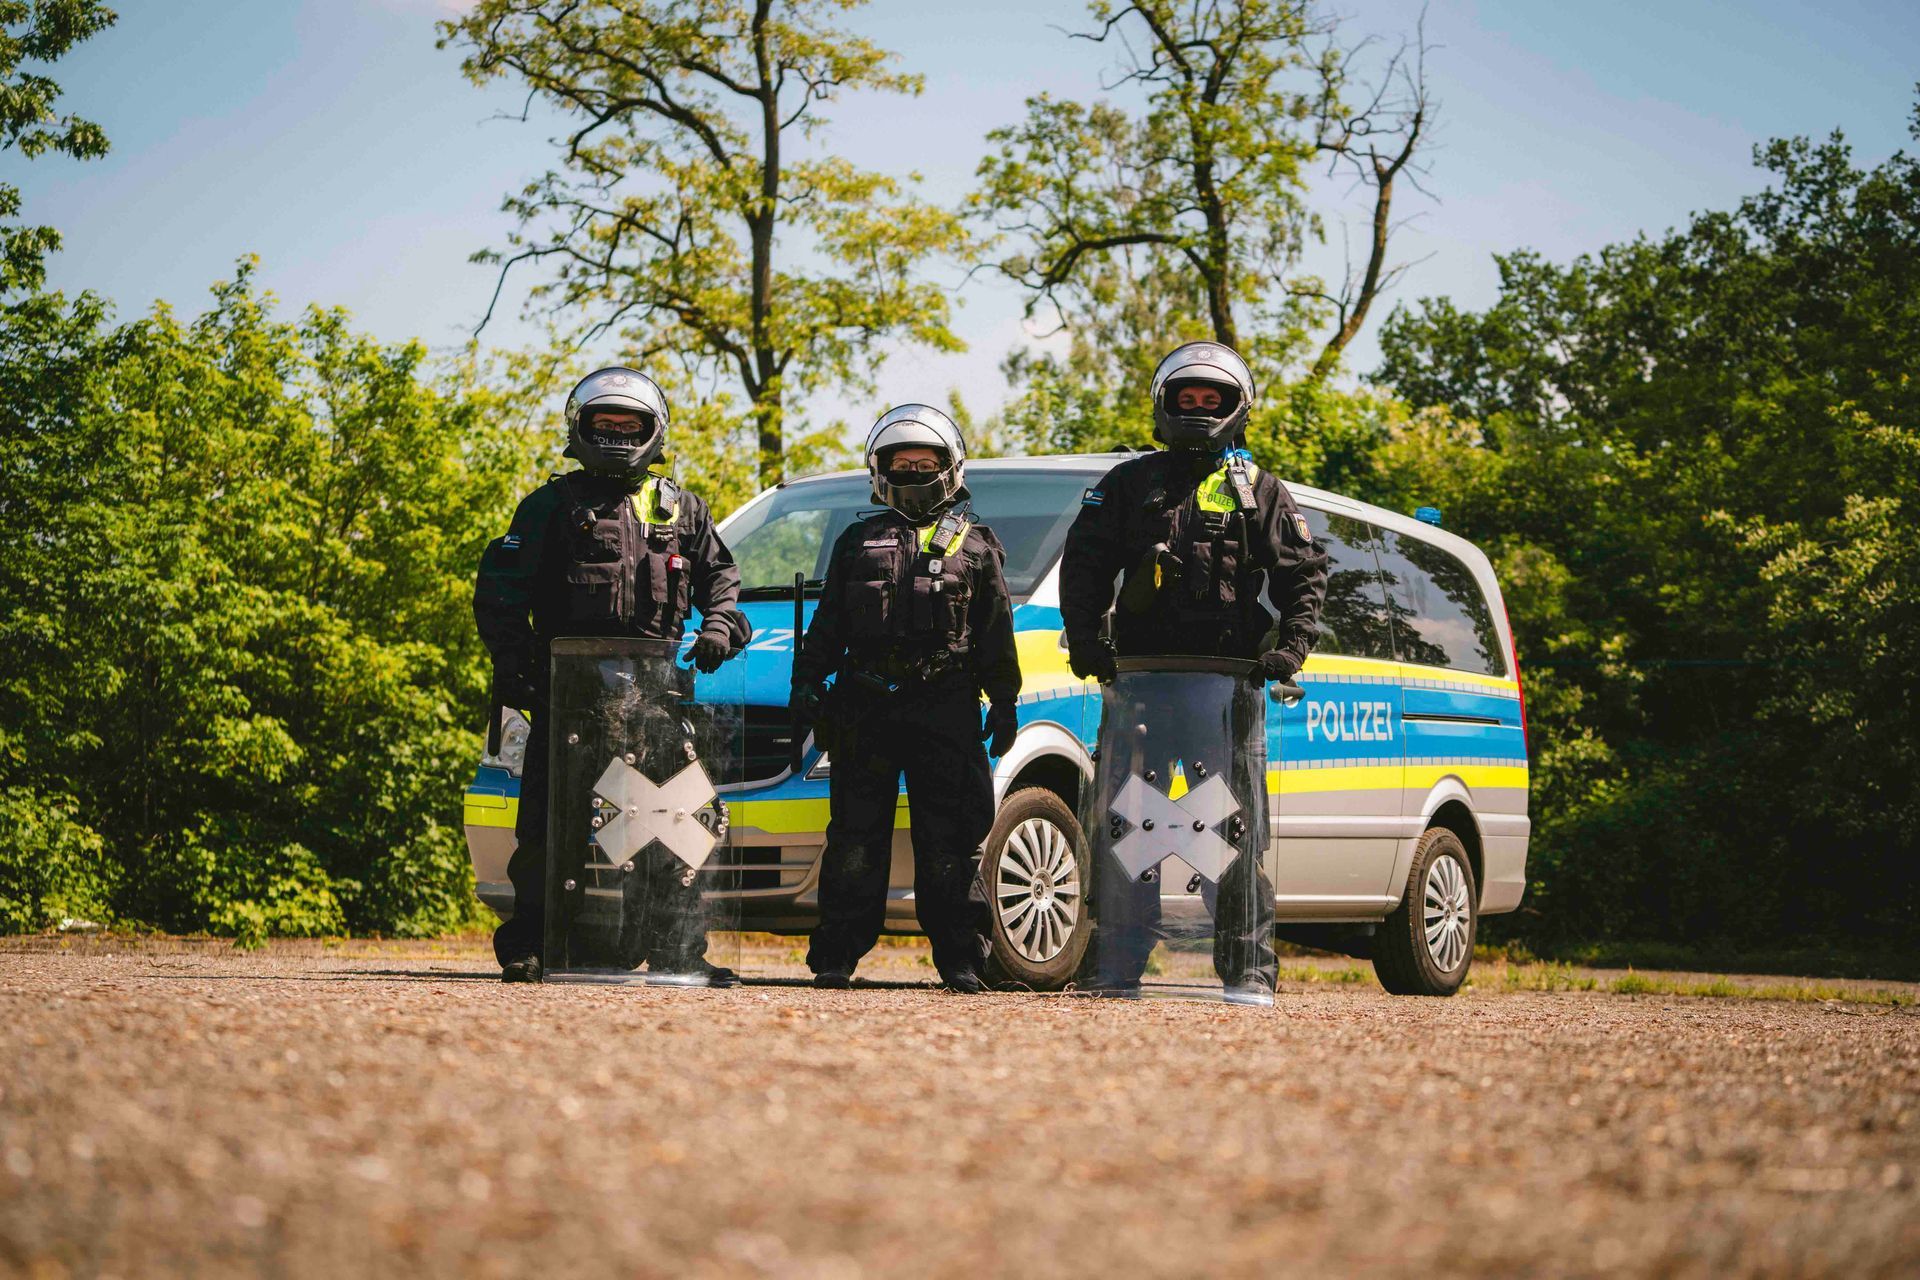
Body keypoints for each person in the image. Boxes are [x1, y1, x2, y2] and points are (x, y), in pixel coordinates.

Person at [1059, 341, 1328, 998]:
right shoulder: (1128, 483)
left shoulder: (1256, 488)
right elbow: (1085, 564)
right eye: (1189, 398)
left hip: (1227, 695)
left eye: (1213, 399)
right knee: (1126, 824)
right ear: (1166, 404)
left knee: (1233, 831)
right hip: (1141, 691)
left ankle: (1248, 975)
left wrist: (1288, 650)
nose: (1200, 409)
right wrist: (1087, 640)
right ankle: (1114, 971)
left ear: (1236, 407)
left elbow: (1305, 573)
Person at [475, 366, 752, 985]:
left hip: (658, 701)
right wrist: (520, 671)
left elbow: (723, 583)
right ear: (581, 429)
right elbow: (498, 595)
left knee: (673, 829)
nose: (620, 435)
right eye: (607, 424)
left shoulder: (681, 508)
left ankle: (678, 952)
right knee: (551, 834)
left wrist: (720, 629)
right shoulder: (549, 506)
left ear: (654, 433)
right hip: (570, 700)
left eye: (632, 426)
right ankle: (538, 947)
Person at [790, 404, 1022, 994]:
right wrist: (807, 683)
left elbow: (997, 631)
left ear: (949, 467)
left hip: (945, 705)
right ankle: (836, 957)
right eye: (903, 463)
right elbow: (828, 623)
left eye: (926, 463)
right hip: (864, 705)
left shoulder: (977, 544)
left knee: (950, 840)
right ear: (881, 468)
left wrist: (1004, 700)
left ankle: (962, 961)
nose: (914, 472)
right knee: (853, 837)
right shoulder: (856, 539)